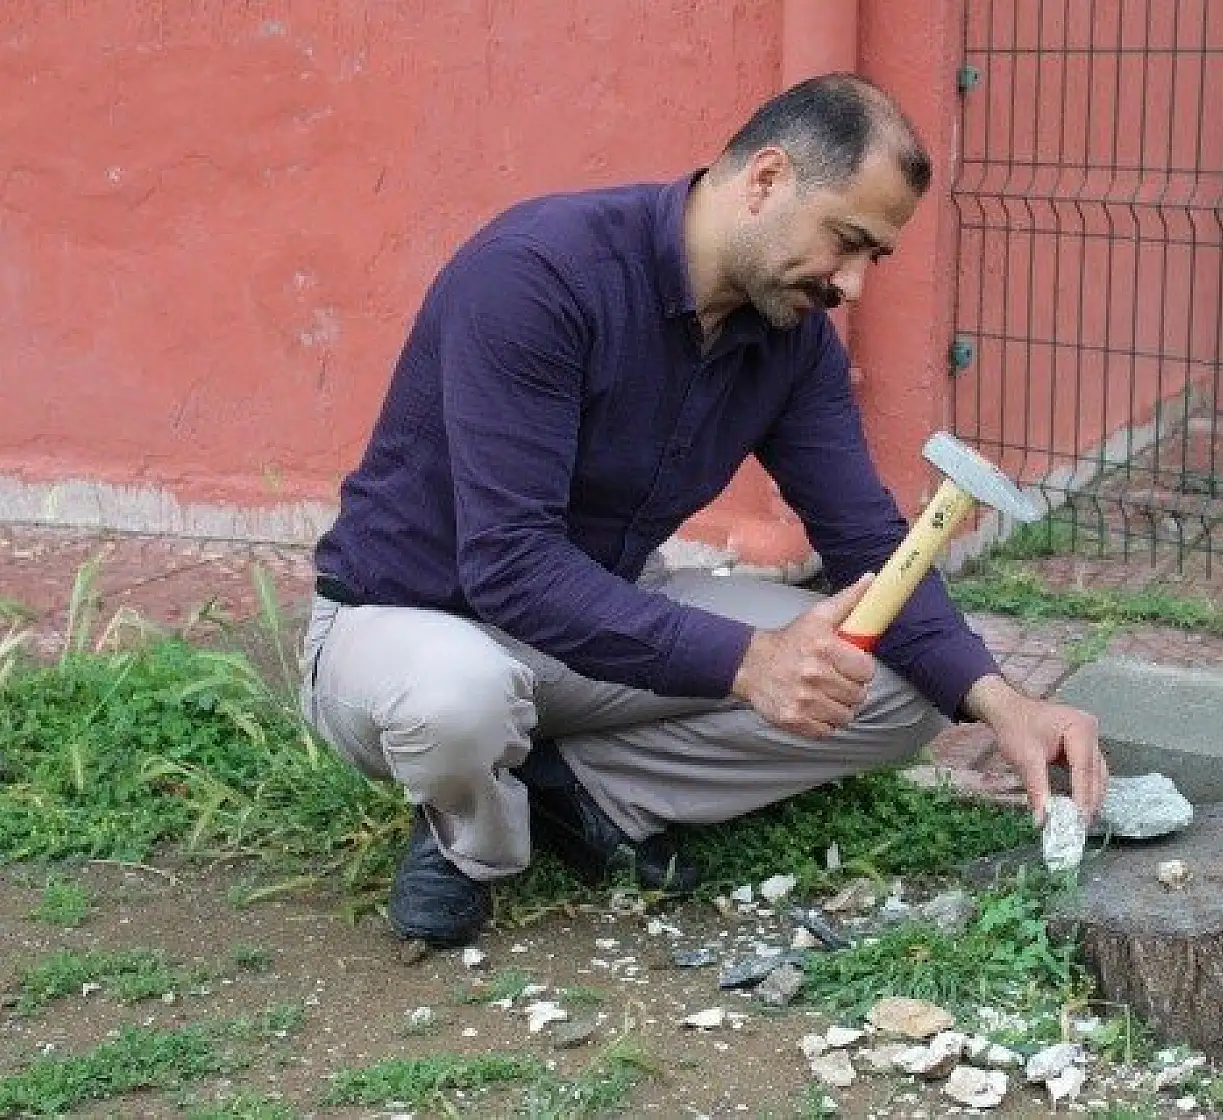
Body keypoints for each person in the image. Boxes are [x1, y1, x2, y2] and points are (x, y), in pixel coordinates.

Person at [298, 72, 1108, 948]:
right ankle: (475, 842)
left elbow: (868, 542)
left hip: (593, 620)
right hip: (407, 620)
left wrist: (1001, 702)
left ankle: (583, 792)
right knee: (459, 699)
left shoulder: (791, 340)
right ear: (765, 180)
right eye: (846, 241)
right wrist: (750, 663)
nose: (852, 285)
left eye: (873, 257)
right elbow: (511, 567)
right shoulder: (538, 275)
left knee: (899, 684)